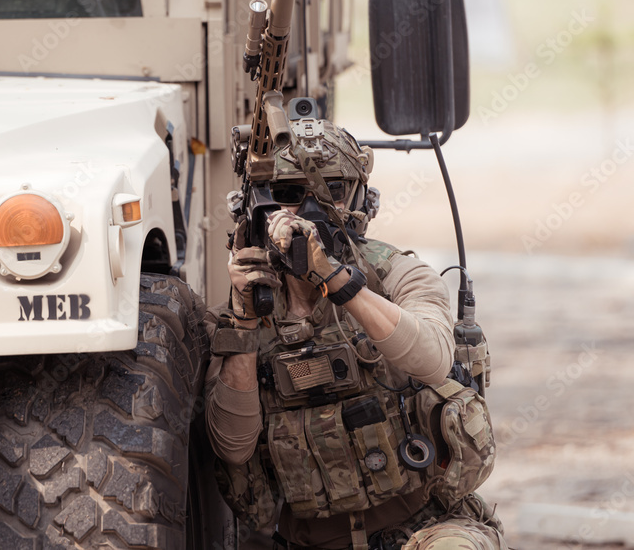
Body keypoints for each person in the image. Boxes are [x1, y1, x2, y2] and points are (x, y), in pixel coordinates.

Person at [205, 119, 506, 550]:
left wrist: (337, 281)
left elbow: (433, 359)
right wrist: (245, 322)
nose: (311, 208)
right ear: (260, 207)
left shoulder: (397, 274)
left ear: (362, 198)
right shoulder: (241, 312)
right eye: (289, 194)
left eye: (333, 188)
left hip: (428, 527)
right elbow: (233, 448)